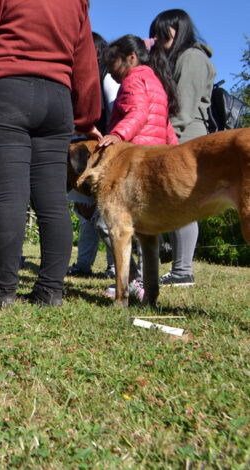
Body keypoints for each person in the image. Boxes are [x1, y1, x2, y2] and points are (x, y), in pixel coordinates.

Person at [0, 0, 101, 308]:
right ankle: (50, 291)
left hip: (5, 92)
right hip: (57, 100)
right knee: (53, 202)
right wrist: (86, 117)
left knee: (9, 197)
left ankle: (4, 292)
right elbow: (85, 60)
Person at [97, 34, 180, 300]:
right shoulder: (156, 80)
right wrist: (175, 156)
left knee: (104, 221)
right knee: (147, 230)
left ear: (130, 58)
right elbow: (164, 123)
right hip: (156, 161)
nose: (111, 71)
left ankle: (131, 279)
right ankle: (149, 289)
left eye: (114, 63)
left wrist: (117, 135)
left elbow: (138, 112)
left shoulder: (133, 78)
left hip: (135, 160)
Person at [150, 9, 216, 287]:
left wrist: (164, 144)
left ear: (178, 30)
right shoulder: (181, 58)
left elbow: (184, 109)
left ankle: (182, 270)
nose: (158, 39)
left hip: (185, 138)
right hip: (178, 137)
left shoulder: (192, 57)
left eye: (162, 32)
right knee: (171, 202)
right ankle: (178, 268)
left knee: (181, 203)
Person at [68, 32, 119, 278]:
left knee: (108, 213)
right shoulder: (81, 79)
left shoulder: (107, 78)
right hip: (82, 154)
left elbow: (114, 113)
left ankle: (114, 265)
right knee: (87, 212)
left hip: (105, 152)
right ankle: (83, 264)